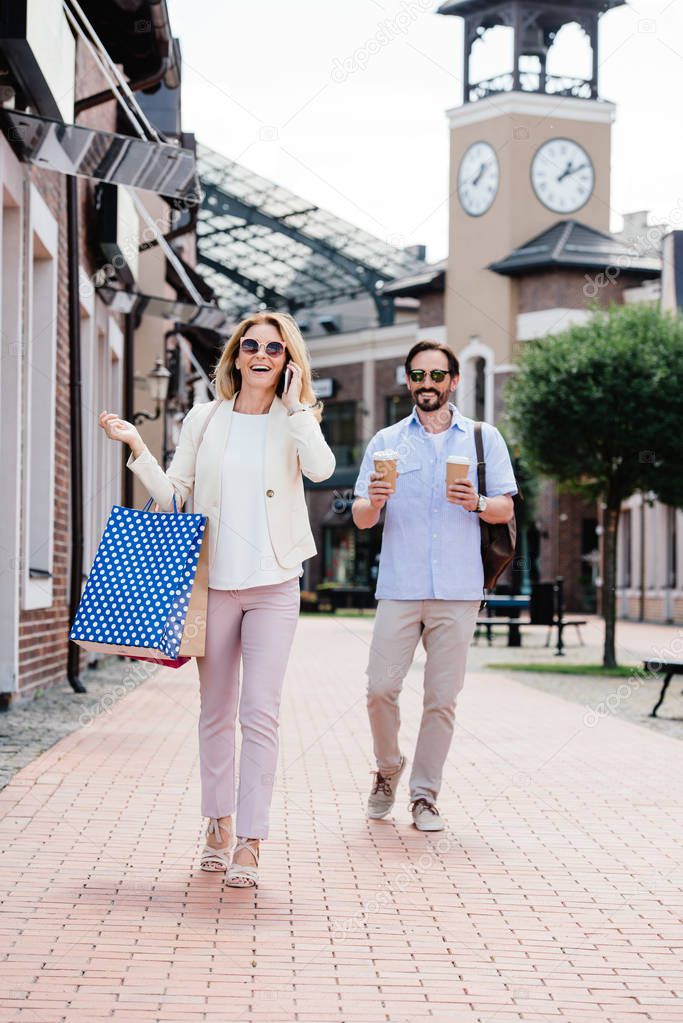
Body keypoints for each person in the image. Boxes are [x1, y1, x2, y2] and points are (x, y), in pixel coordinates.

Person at [99, 312, 335, 885]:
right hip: (215, 585)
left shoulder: (295, 420)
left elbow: (324, 470)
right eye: (250, 345)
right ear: (235, 356)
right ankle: (217, 824)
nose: (260, 354)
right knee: (215, 713)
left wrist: (298, 403)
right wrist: (135, 445)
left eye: (274, 349)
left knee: (261, 712)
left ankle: (251, 841)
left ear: (287, 360)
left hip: (274, 583)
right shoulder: (205, 419)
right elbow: (175, 495)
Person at [352, 340, 517, 832]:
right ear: (408, 381)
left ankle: (425, 796)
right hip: (399, 586)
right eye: (418, 376)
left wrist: (477, 502)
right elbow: (361, 518)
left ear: (453, 381)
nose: (428, 385)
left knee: (440, 699)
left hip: (459, 589)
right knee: (380, 689)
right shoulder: (385, 442)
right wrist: (375, 502)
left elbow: (506, 508)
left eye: (437, 376)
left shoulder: (484, 439)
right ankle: (387, 768)